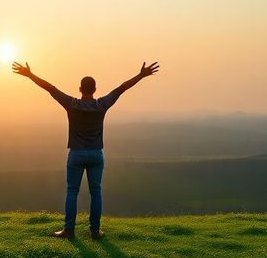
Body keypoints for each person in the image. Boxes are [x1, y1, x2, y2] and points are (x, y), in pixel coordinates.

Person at [12, 60, 159, 240]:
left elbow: (51, 88)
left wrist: (30, 75)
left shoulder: (72, 104)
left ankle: (69, 230)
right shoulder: (101, 105)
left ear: (80, 88)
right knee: (96, 192)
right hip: (96, 154)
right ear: (95, 89)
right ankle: (95, 231)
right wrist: (141, 75)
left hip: (76, 153)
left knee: (72, 191)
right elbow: (122, 88)